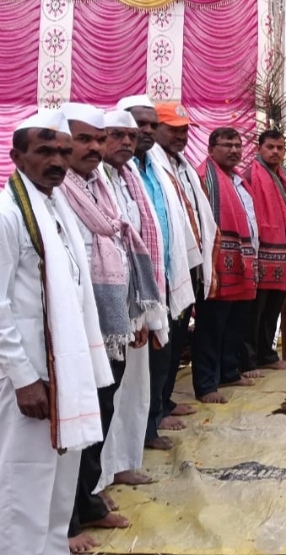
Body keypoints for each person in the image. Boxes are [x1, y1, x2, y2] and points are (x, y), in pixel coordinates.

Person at [0, 110, 112, 555]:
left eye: (64, 152)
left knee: (58, 486)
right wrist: (23, 377)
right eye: (45, 151)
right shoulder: (9, 214)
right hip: (26, 377)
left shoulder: (55, 207)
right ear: (17, 157)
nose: (58, 161)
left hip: (61, 371)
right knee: (25, 483)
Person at [59, 103, 159, 551]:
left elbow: (121, 249)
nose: (95, 147)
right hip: (74, 330)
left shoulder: (101, 185)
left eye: (98, 139)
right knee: (77, 423)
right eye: (85, 139)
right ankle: (66, 520)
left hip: (112, 323)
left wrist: (135, 316)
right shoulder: (58, 191)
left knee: (101, 413)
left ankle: (87, 500)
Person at [93, 110, 168, 496]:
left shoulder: (130, 177)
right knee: (104, 399)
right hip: (103, 310)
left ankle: (122, 463)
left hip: (133, 301)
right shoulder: (91, 180)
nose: (126, 141)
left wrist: (141, 315)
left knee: (131, 390)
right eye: (116, 134)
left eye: (130, 135)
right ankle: (96, 482)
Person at [120, 95, 200, 449]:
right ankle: (140, 432)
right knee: (137, 364)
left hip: (164, 275)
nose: (146, 131)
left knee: (161, 353)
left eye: (152, 125)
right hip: (134, 284)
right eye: (141, 124)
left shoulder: (157, 167)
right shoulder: (119, 169)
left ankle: (151, 422)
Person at [151, 100, 217, 403]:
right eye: (173, 130)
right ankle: (158, 408)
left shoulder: (183, 165)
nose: (181, 136)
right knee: (163, 339)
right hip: (165, 264)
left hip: (188, 262)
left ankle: (165, 401)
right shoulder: (151, 164)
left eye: (185, 131)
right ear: (155, 129)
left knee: (177, 335)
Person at [195, 128, 258, 404]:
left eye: (237, 145)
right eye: (227, 145)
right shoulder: (203, 177)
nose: (234, 150)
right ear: (211, 149)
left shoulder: (239, 181)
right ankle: (206, 384)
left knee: (234, 324)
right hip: (216, 264)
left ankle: (229, 372)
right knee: (211, 325)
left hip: (241, 262)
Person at [243, 129, 286, 371]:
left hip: (282, 254)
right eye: (270, 147)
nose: (275, 152)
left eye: (280, 148)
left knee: (273, 308)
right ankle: (248, 360)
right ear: (259, 148)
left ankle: (267, 355)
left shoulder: (283, 175)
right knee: (254, 310)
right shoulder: (251, 175)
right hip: (261, 254)